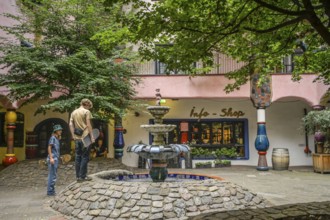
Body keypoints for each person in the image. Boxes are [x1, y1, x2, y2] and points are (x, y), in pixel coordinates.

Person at [69, 98, 95, 182]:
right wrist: (92, 136)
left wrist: (73, 135)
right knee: (85, 157)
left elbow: (70, 124)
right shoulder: (86, 112)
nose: (89, 108)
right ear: (86, 104)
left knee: (78, 156)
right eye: (89, 106)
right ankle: (82, 176)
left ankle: (77, 176)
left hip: (77, 138)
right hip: (85, 137)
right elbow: (88, 124)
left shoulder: (74, 112)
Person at [47, 124, 63, 196]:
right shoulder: (53, 138)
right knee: (52, 175)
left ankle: (52, 191)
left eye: (60, 130)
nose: (61, 131)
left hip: (55, 158)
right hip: (53, 158)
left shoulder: (56, 138)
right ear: (56, 131)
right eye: (59, 130)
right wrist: (51, 158)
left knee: (54, 175)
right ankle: (50, 191)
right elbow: (49, 147)